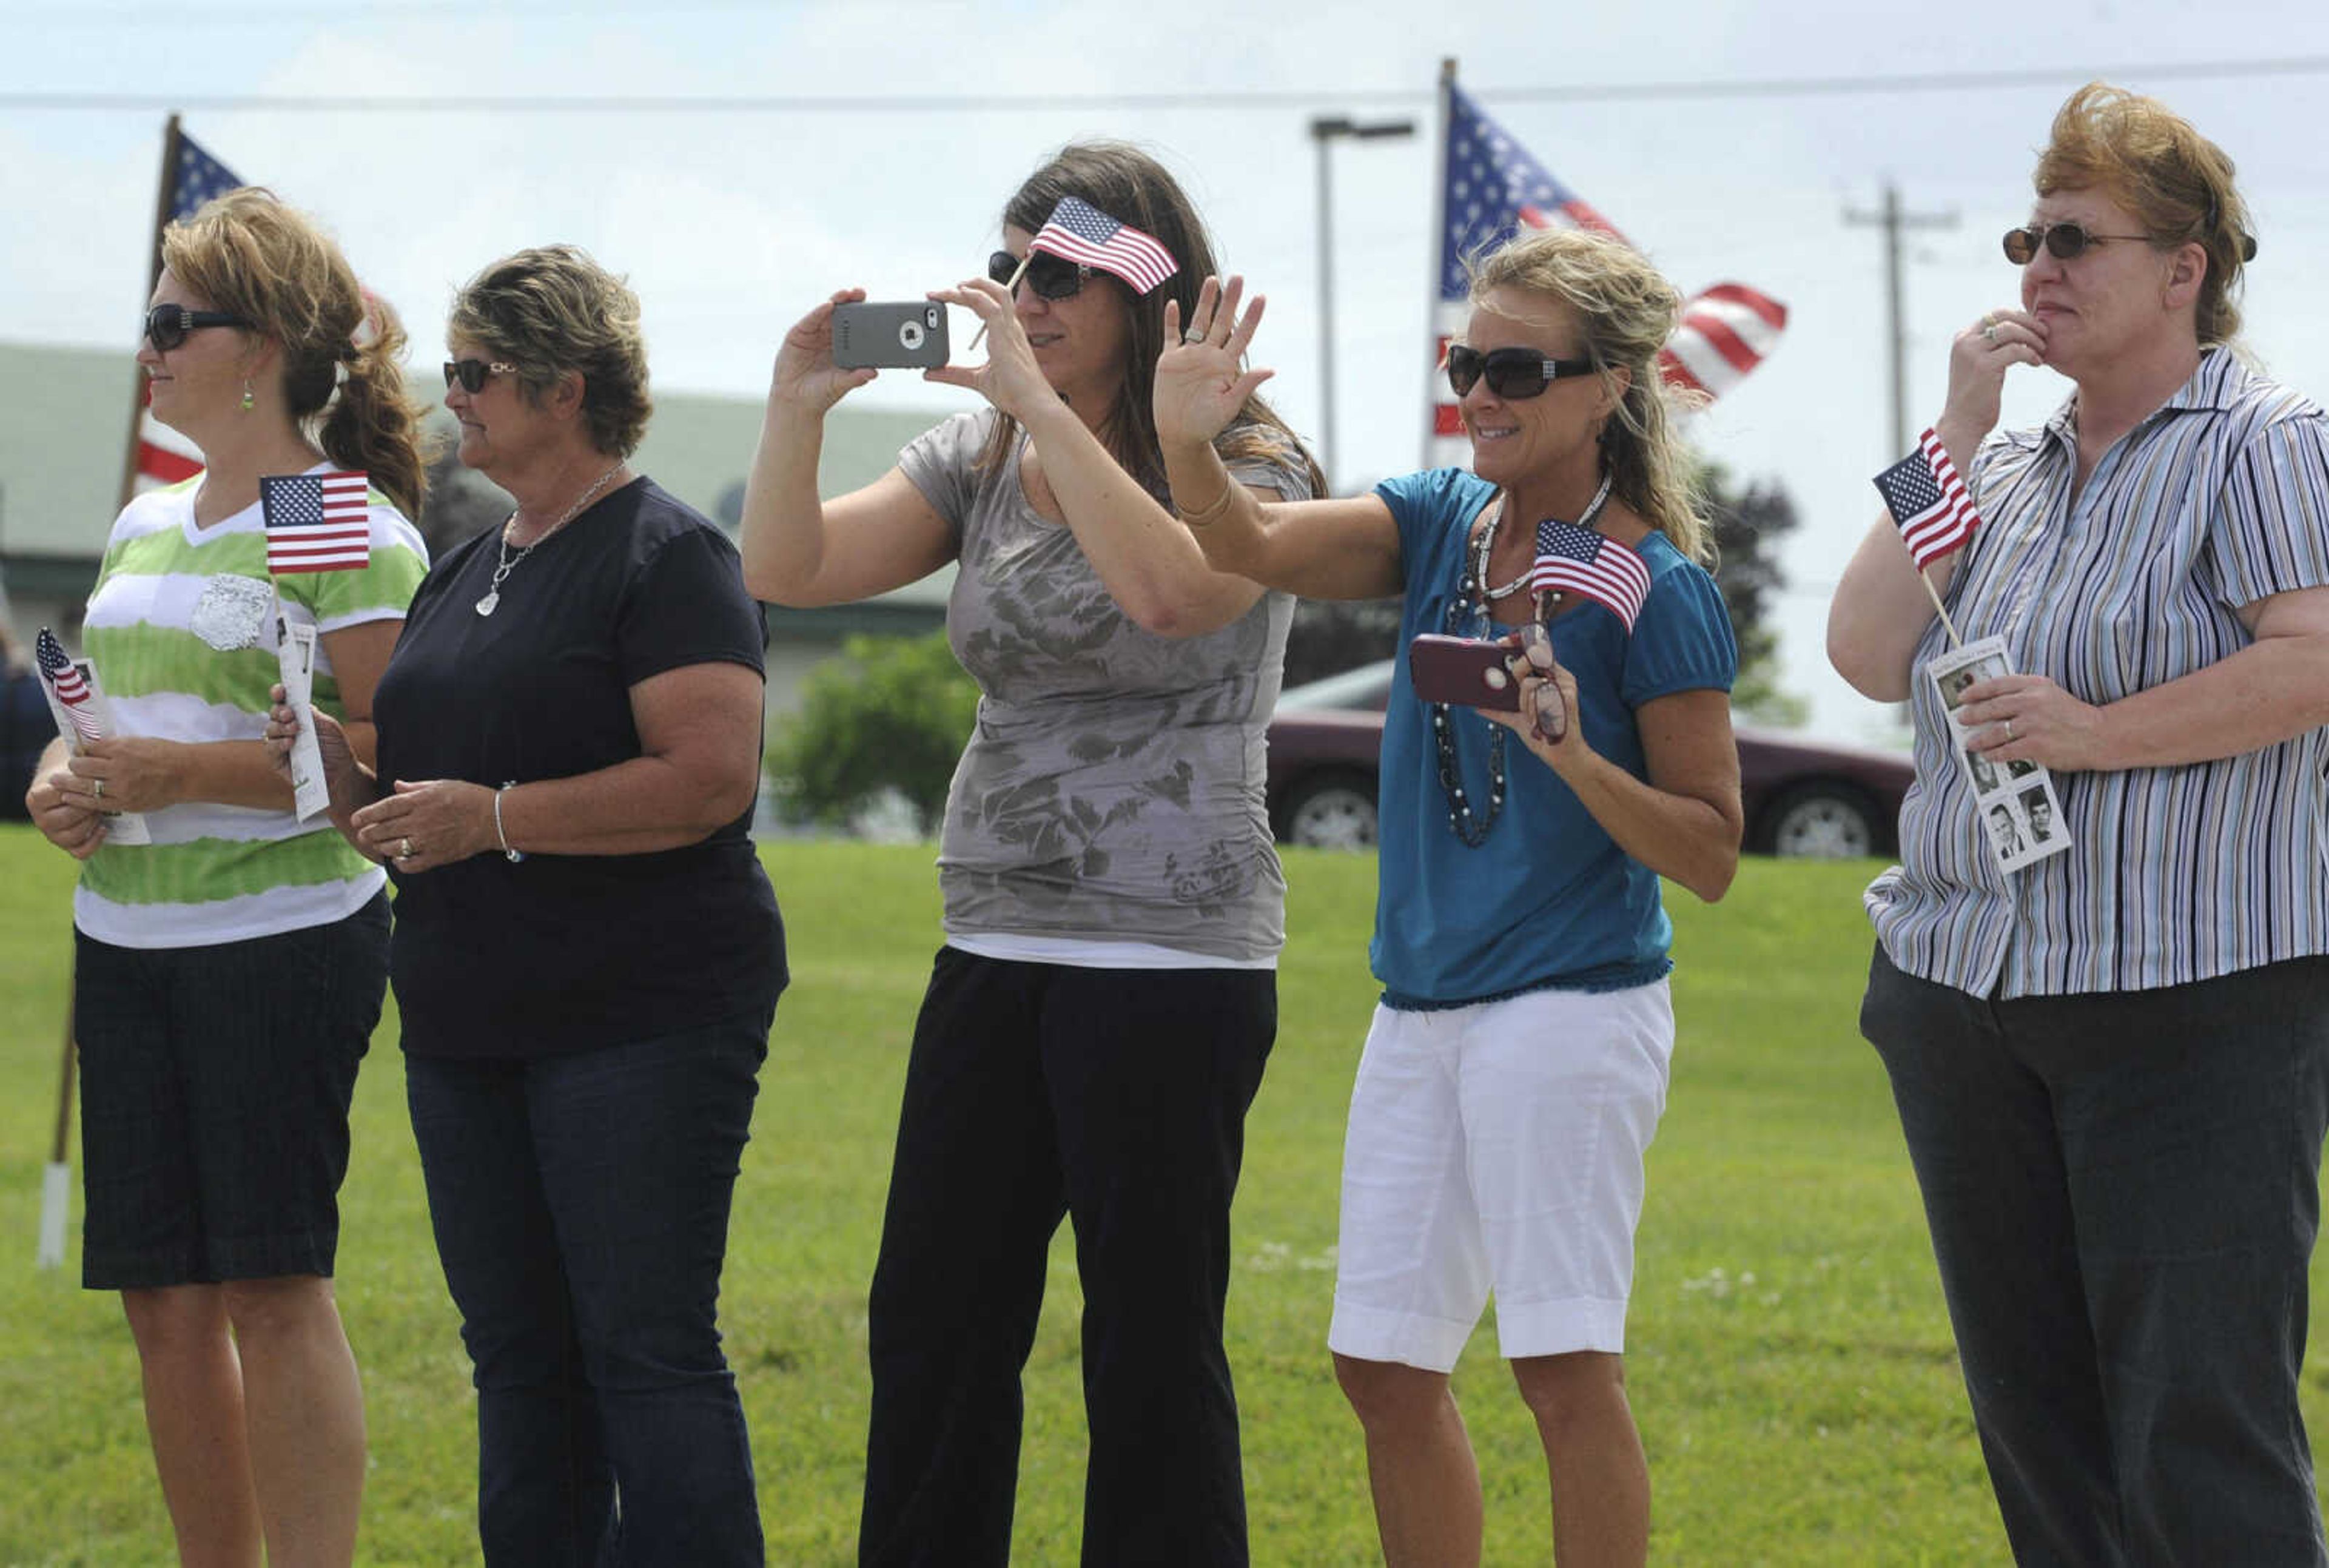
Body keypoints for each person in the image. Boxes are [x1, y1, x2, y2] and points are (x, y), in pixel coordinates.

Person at [738, 142, 1320, 1567]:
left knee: (1148, 1345)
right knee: (932, 1323)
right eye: (1008, 269)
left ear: (1145, 294)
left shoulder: (1246, 452)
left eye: (1058, 276)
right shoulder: (980, 449)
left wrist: (1039, 408)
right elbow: (788, 567)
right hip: (995, 940)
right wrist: (795, 406)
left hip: (1170, 956)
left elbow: (1178, 592)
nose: (1022, 297)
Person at [1155, 226, 1741, 1567]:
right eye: (1464, 359)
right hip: (1416, 1011)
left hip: (1570, 1014)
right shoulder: (1436, 520)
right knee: (1383, 1370)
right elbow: (1241, 542)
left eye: (1516, 370)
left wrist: (1578, 756)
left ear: (1613, 386)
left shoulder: (1659, 587)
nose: (1478, 391)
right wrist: (1188, 440)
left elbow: (1709, 851)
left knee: (1561, 1372)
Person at [1827, 81, 2329, 1564]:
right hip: (1969, 995)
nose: (2037, 269)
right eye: (2024, 239)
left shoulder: (2267, 439)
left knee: (2199, 1431)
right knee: (2038, 1432)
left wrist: (2096, 735)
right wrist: (1952, 429)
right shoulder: (2002, 471)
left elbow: (2314, 659)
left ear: (2187, 269)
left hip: (2192, 1005)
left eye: (2075, 238)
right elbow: (1863, 654)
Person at [273, 246, 786, 1565]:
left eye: (475, 371)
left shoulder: (670, 553)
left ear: (565, 386)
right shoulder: (459, 566)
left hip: (640, 1018)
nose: (452, 398)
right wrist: (335, 763)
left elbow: (712, 780)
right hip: (466, 1023)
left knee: (645, 1352)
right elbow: (413, 800)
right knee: (517, 1362)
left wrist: (493, 817)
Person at [24, 187, 429, 1567]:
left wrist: (185, 778)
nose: (146, 346)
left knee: (268, 1283)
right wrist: (60, 786)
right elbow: (113, 717)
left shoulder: (330, 517)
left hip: (283, 939)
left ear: (254, 346)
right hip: (127, 944)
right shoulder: (145, 519)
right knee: (162, 1300)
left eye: (167, 322)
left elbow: (384, 761)